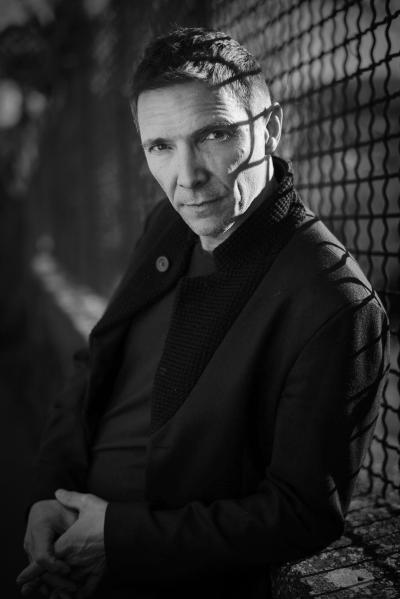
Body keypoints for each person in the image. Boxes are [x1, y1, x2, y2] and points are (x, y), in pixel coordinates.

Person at [17, 26, 389, 599]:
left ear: (270, 128)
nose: (186, 177)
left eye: (214, 134)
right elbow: (95, 365)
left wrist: (120, 538)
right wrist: (49, 493)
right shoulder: (169, 223)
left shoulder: (335, 300)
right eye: (160, 147)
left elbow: (303, 513)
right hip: (76, 540)